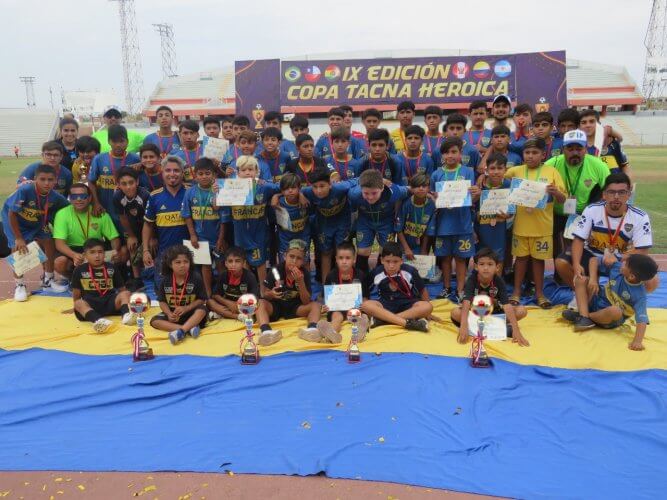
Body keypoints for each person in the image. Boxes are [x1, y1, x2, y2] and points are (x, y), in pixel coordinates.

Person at [555, 172, 655, 294]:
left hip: (620, 260)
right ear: (604, 194)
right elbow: (578, 240)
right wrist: (576, 264)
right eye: (611, 192)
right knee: (561, 263)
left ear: (629, 194)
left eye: (622, 192)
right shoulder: (592, 210)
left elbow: (642, 252)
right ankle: (584, 296)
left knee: (651, 280)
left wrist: (618, 258)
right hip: (591, 256)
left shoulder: (640, 217)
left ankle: (623, 300)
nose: (616, 196)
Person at [505, 138, 566, 308]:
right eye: (527, 153)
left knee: (538, 261)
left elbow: (563, 199)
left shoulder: (551, 172)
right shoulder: (515, 171)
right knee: (521, 259)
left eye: (535, 153)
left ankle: (540, 294)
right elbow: (495, 180)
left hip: (543, 226)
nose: (530, 156)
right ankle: (516, 292)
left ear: (542, 154)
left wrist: (556, 193)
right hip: (521, 226)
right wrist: (482, 179)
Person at [2, 164, 70, 301]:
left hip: (36, 222)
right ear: (35, 179)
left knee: (49, 241)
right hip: (15, 222)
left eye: (50, 180)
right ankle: (19, 285)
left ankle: (48, 280)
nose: (46, 183)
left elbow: (70, 208)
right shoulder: (25, 190)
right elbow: (11, 214)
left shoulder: (55, 197)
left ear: (55, 181)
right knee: (18, 248)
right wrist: (19, 238)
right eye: (42, 179)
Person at [563, 253, 657, 351]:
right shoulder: (617, 268)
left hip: (608, 319)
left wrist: (637, 342)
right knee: (581, 280)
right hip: (597, 299)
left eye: (626, 264)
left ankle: (583, 316)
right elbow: (593, 260)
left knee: (615, 311)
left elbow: (642, 320)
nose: (622, 263)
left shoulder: (640, 295)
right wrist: (593, 279)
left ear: (632, 276)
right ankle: (584, 317)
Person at [545, 129, 610, 258]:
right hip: (555, 212)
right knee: (553, 242)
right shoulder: (551, 164)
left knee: (581, 248)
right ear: (563, 149)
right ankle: (559, 272)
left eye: (579, 149)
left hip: (583, 213)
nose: (574, 153)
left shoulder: (598, 166)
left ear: (586, 149)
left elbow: (608, 189)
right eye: (570, 149)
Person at [220, 155, 280, 294]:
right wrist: (217, 192)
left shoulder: (264, 186)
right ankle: (246, 293)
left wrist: (276, 195)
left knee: (259, 263)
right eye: (243, 170)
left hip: (258, 234)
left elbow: (283, 187)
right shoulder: (229, 188)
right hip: (240, 234)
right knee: (243, 264)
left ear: (257, 171)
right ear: (237, 172)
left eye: (251, 169)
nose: (247, 173)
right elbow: (218, 208)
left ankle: (263, 293)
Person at [432, 137, 479, 302]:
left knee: (461, 258)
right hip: (443, 224)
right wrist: (435, 199)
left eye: (454, 152)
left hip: (462, 223)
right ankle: (446, 288)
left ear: (460, 154)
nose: (450, 155)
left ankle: (460, 290)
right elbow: (432, 201)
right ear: (441, 155)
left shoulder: (468, 172)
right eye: (446, 152)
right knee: (445, 258)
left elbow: (471, 201)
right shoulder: (436, 174)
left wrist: (475, 195)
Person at [450, 248, 529, 346]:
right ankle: (497, 329)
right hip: (475, 315)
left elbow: (507, 305)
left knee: (522, 310)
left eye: (490, 264)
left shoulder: (499, 281)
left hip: (495, 314)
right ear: (475, 266)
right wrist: (463, 325)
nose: (486, 268)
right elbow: (466, 302)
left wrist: (516, 330)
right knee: (455, 312)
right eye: (482, 264)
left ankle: (483, 328)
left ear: (497, 267)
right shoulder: (472, 280)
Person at [255, 239, 324, 344]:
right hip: (276, 306)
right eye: (291, 256)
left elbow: (306, 302)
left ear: (303, 261)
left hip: (295, 307)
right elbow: (264, 294)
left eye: (299, 258)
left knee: (316, 306)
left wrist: (300, 282)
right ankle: (266, 332)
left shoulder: (304, 273)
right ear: (285, 256)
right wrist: (271, 294)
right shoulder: (275, 270)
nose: (294, 261)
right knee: (260, 303)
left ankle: (312, 330)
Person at [53, 182, 122, 280]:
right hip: (74, 249)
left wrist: (115, 251)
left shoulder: (99, 212)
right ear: (69, 198)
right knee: (59, 262)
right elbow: (59, 244)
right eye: (74, 196)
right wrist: (74, 255)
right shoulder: (62, 214)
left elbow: (114, 238)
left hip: (96, 248)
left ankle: (111, 275)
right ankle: (72, 279)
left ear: (90, 198)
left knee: (122, 252)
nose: (79, 199)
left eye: (83, 196)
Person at [361, 241, 432, 331]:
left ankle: (385, 320)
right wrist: (366, 304)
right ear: (382, 260)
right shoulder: (376, 273)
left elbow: (422, 290)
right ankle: (406, 323)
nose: (391, 265)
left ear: (401, 261)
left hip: (408, 305)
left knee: (427, 307)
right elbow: (365, 289)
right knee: (366, 305)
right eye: (388, 261)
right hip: (385, 305)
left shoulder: (410, 271)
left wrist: (428, 313)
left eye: (395, 261)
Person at [349, 169, 410, 273]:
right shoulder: (354, 194)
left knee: (385, 250)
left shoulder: (394, 192)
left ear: (382, 188)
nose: (370, 197)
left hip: (386, 222)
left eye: (374, 193)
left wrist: (429, 194)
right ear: (360, 189)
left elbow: (410, 189)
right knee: (363, 251)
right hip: (365, 222)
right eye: (366, 193)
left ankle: (379, 275)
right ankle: (362, 279)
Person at [182, 157, 227, 296]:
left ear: (214, 175)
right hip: (200, 238)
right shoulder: (190, 192)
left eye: (208, 173)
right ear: (195, 176)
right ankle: (208, 295)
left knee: (221, 266)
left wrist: (221, 238)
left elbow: (223, 217)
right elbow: (187, 215)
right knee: (205, 266)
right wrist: (193, 235)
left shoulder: (220, 191)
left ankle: (222, 293)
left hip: (217, 236)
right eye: (200, 174)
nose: (204, 176)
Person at [70, 238, 135, 334]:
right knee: (79, 303)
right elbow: (76, 296)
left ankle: (126, 316)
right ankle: (99, 321)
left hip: (110, 302)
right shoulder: (79, 270)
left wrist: (126, 301)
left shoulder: (111, 267)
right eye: (92, 252)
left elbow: (122, 290)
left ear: (104, 254)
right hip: (91, 304)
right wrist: (76, 307)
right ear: (85, 255)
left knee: (126, 293)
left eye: (100, 252)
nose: (97, 256)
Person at [301, 168, 355, 282]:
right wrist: (300, 195)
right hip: (324, 224)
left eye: (322, 186)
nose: (318, 190)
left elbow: (359, 180)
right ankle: (327, 286)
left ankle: (345, 283)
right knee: (325, 253)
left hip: (342, 223)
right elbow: (291, 189)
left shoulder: (341, 188)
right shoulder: (308, 191)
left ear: (330, 185)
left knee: (341, 252)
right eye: (315, 187)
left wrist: (382, 181)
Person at [142, 155, 190, 277]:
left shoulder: (192, 192)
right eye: (168, 170)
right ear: (162, 172)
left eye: (176, 170)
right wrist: (146, 250)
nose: (172, 174)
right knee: (163, 292)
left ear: (183, 173)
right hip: (164, 254)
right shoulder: (154, 196)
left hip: (190, 255)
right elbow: (148, 224)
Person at [150, 244, 208, 345]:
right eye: (178, 262)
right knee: (154, 321)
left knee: (202, 310)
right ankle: (188, 329)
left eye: (186, 262)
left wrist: (186, 308)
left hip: (191, 314)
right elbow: (162, 301)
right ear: (170, 264)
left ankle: (181, 331)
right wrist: (168, 314)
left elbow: (202, 299)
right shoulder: (165, 280)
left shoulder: (196, 278)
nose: (182, 265)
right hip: (173, 316)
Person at [88, 124, 140, 233]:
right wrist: (96, 203)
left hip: (128, 209)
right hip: (106, 208)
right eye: (114, 141)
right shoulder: (99, 159)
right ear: (108, 141)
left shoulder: (135, 159)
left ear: (127, 141)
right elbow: (91, 182)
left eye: (121, 141)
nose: (118, 145)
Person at [320, 241, 371, 340]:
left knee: (357, 316)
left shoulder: (360, 275)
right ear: (336, 259)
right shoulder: (331, 276)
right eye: (341, 258)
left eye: (348, 258)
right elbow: (326, 298)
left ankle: (360, 333)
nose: (344, 261)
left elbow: (365, 296)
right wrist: (325, 307)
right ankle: (332, 334)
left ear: (354, 259)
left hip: (354, 308)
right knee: (336, 316)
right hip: (337, 309)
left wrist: (363, 304)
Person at [114, 167, 150, 289]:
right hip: (133, 229)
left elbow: (151, 220)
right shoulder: (117, 196)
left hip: (150, 228)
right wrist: (131, 236)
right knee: (131, 246)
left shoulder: (145, 195)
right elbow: (123, 218)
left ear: (137, 182)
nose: (128, 187)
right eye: (124, 184)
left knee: (152, 247)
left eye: (131, 182)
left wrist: (153, 238)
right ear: (118, 185)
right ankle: (137, 279)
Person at [475, 153, 511, 270]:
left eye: (500, 168)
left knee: (498, 257)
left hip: (499, 228)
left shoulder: (509, 185)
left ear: (505, 169)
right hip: (482, 228)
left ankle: (497, 285)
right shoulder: (479, 186)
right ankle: (482, 283)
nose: (496, 172)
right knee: (482, 256)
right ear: (486, 170)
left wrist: (508, 214)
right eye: (492, 168)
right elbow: (472, 208)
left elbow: (512, 209)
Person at [208, 246, 264, 320]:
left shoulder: (250, 276)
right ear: (226, 263)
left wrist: (239, 304)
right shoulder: (223, 275)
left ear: (244, 263)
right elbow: (215, 295)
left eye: (237, 261)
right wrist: (228, 303)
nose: (233, 264)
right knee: (209, 302)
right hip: (228, 305)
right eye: (230, 261)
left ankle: (224, 314)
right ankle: (238, 317)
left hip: (243, 306)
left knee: (257, 305)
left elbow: (255, 298)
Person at [396, 172, 436, 261]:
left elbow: (428, 232)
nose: (421, 189)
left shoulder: (431, 205)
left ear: (429, 188)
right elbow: (399, 229)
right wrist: (406, 249)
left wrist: (424, 249)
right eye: (417, 186)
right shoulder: (405, 204)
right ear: (412, 188)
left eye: (424, 186)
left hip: (421, 244)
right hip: (404, 244)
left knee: (421, 269)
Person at [579, 109, 631, 176]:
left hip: (614, 185)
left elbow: (624, 166)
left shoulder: (611, 142)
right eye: (584, 122)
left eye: (592, 121)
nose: (588, 125)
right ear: (579, 126)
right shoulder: (577, 147)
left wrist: (628, 182)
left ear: (599, 124)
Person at [271, 173, 311, 258]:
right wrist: (276, 195)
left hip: (303, 237)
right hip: (285, 240)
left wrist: (301, 194)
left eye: (293, 188)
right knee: (286, 265)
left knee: (304, 263)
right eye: (286, 189)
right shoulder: (278, 203)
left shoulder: (306, 199)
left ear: (299, 188)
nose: (290, 191)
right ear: (281, 191)